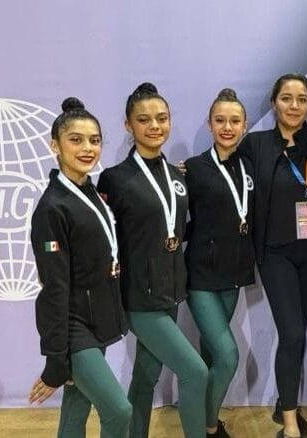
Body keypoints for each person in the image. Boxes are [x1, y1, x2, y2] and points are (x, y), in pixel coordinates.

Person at [97, 82, 207, 438]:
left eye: (162, 118)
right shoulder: (114, 179)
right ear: (128, 125)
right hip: (138, 297)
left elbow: (177, 227)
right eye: (144, 119)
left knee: (146, 375)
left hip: (171, 291)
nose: (155, 126)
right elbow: (103, 240)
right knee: (196, 373)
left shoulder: (177, 176)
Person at [237, 73, 307, 438]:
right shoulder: (255, 145)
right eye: (286, 98)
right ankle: (291, 421)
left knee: (297, 334)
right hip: (274, 255)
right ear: (274, 103)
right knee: (293, 333)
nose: (294, 105)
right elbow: (226, 174)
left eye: (301, 99)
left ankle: (286, 402)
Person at [29, 97, 131, 437]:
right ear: (55, 145)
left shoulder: (90, 192)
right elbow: (54, 287)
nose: (88, 148)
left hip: (97, 319)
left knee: (76, 407)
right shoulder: (52, 208)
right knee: (119, 410)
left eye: (95, 140)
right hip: (74, 327)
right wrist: (56, 359)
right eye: (76, 140)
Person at [184, 88, 255, 438]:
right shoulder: (193, 169)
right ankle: (208, 426)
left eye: (234, 121)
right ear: (210, 124)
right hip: (201, 277)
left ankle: (202, 419)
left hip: (234, 275)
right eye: (220, 120)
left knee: (212, 354)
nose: (227, 127)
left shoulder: (250, 166)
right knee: (228, 356)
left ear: (245, 125)